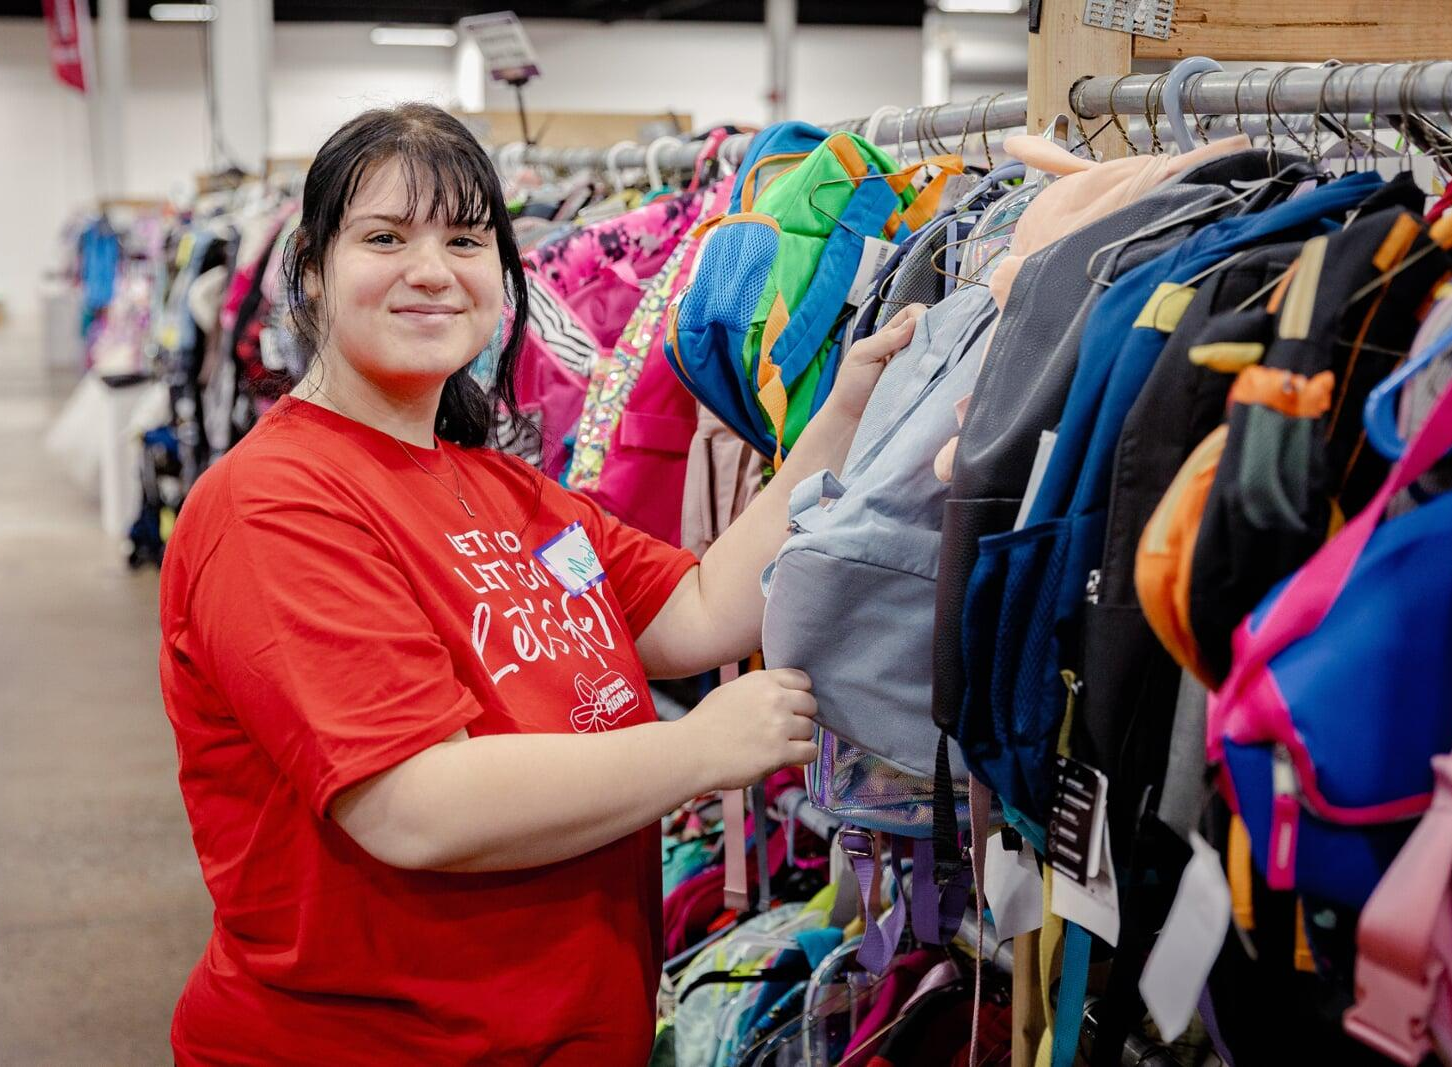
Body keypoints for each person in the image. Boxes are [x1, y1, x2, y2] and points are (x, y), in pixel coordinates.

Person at [157, 102, 923, 1066]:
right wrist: (695, 750)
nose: (432, 271)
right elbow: (414, 805)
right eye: (386, 237)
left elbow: (698, 610)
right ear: (310, 268)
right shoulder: (273, 503)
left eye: (466, 240)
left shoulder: (502, 485)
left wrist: (844, 414)